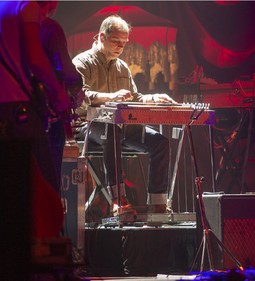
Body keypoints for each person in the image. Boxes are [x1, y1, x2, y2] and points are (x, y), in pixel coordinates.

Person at [73, 15, 177, 214]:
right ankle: (118, 199)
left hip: (119, 127)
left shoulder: (122, 67)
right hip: (88, 126)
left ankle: (158, 203)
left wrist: (154, 98)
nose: (120, 47)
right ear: (101, 37)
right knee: (111, 131)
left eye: (124, 43)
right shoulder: (82, 62)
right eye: (116, 42)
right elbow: (80, 96)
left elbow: (135, 97)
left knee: (160, 142)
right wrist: (111, 96)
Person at [0, 1, 70, 240]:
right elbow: (36, 59)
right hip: (16, 109)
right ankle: (48, 261)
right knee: (44, 189)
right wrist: (59, 94)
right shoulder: (25, 6)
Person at [38, 0, 83, 193]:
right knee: (50, 173)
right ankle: (49, 221)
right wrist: (76, 87)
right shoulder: (49, 28)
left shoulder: (9, 25)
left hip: (15, 110)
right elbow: (64, 68)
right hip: (48, 111)